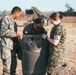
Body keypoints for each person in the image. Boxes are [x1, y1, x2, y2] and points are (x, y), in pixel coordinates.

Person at [0, 6, 23, 75]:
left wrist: (19, 41)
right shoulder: (6, 19)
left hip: (13, 47)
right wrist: (16, 35)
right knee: (7, 68)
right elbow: (3, 32)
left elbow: (14, 36)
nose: (19, 16)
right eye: (19, 14)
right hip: (6, 47)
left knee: (13, 66)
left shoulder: (14, 22)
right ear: (16, 13)